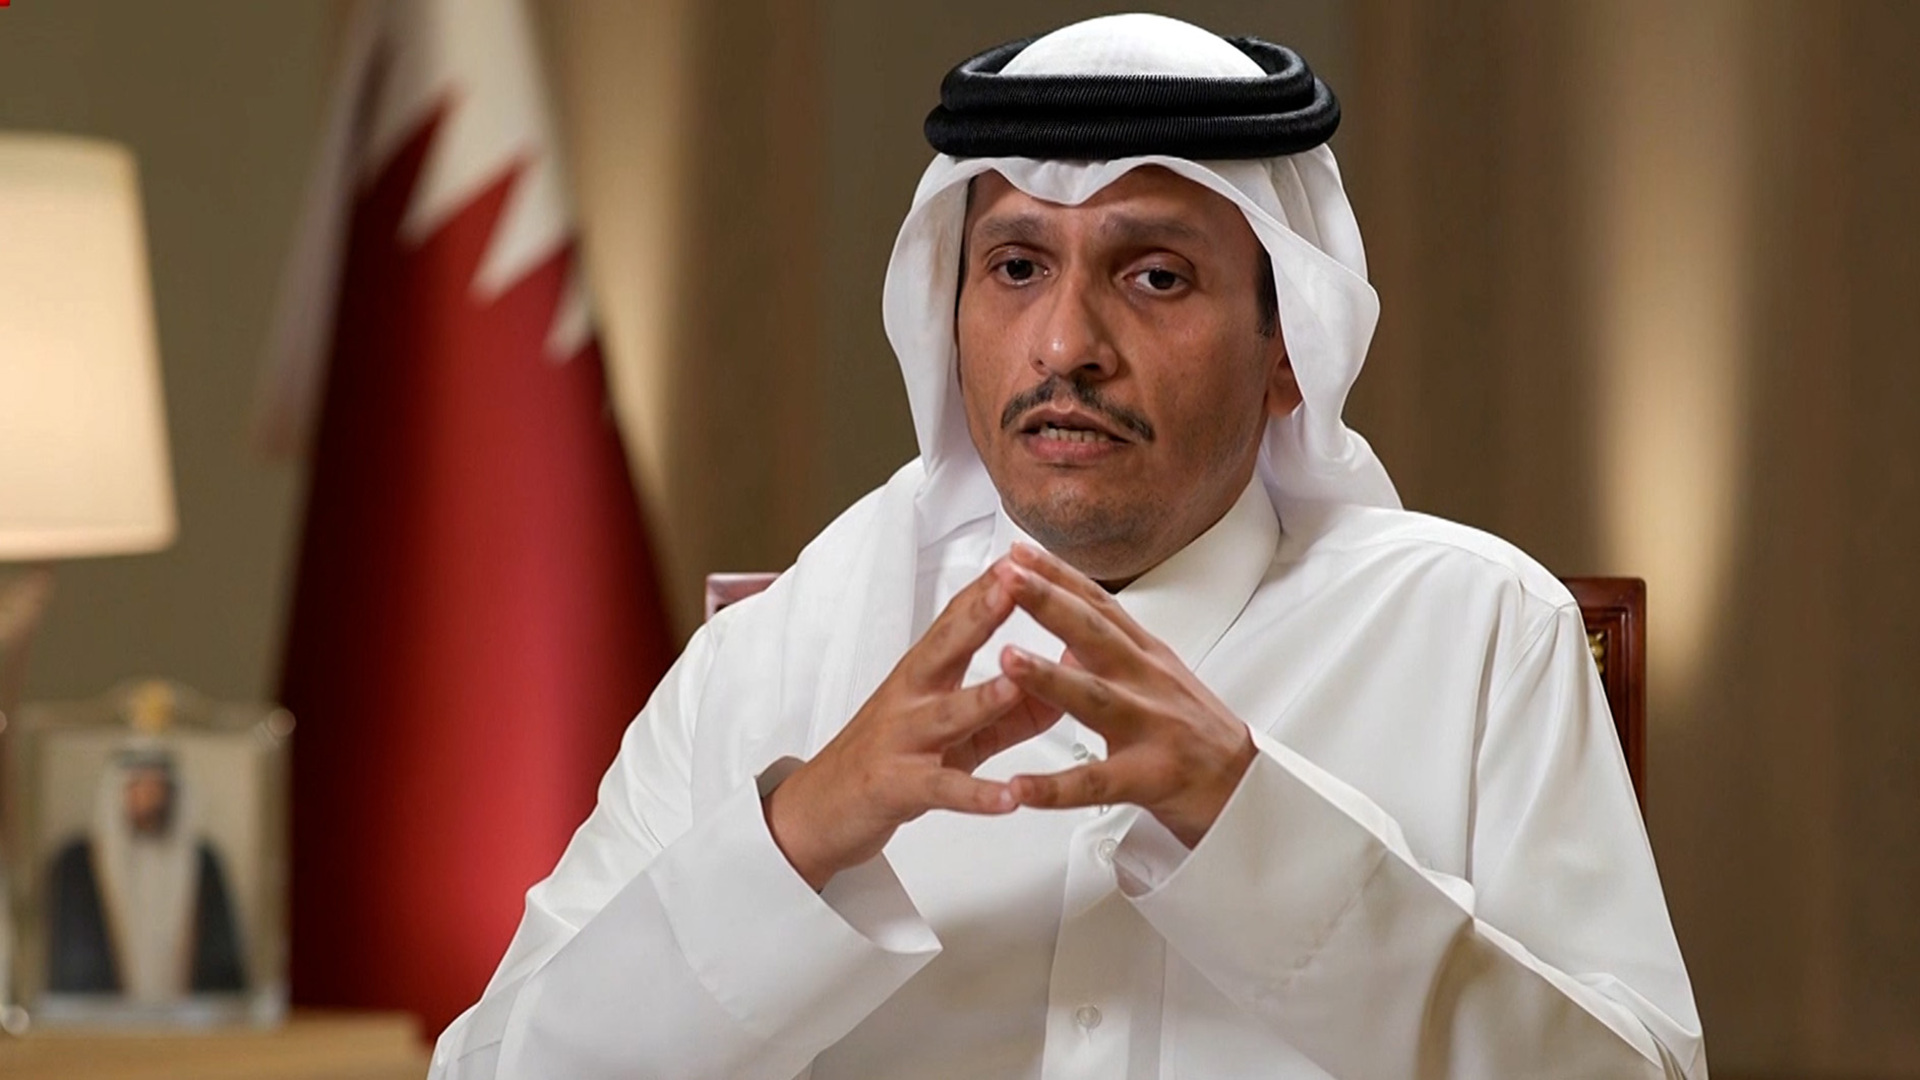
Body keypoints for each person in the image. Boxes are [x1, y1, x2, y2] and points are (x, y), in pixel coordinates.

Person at [431, 14, 1705, 1079]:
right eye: (1018, 266)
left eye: (1154, 276)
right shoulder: (772, 662)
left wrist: (1252, 821)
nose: (1063, 347)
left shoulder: (1479, 636)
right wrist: (801, 834)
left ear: (1286, 354)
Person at [46, 746, 247, 1000]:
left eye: (157, 787)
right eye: (138, 786)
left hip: (188, 1024)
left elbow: (221, 963)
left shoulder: (204, 862)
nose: (149, 797)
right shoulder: (76, 862)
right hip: (98, 1025)